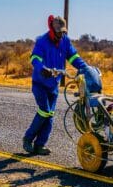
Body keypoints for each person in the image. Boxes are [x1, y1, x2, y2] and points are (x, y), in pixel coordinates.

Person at [23, 15, 87, 155]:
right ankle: (27, 139)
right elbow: (35, 58)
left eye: (63, 32)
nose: (61, 34)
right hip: (40, 83)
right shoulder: (42, 41)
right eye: (59, 31)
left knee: (50, 114)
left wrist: (85, 68)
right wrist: (42, 69)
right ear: (52, 28)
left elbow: (73, 57)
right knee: (44, 111)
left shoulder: (65, 41)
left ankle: (40, 145)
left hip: (54, 85)